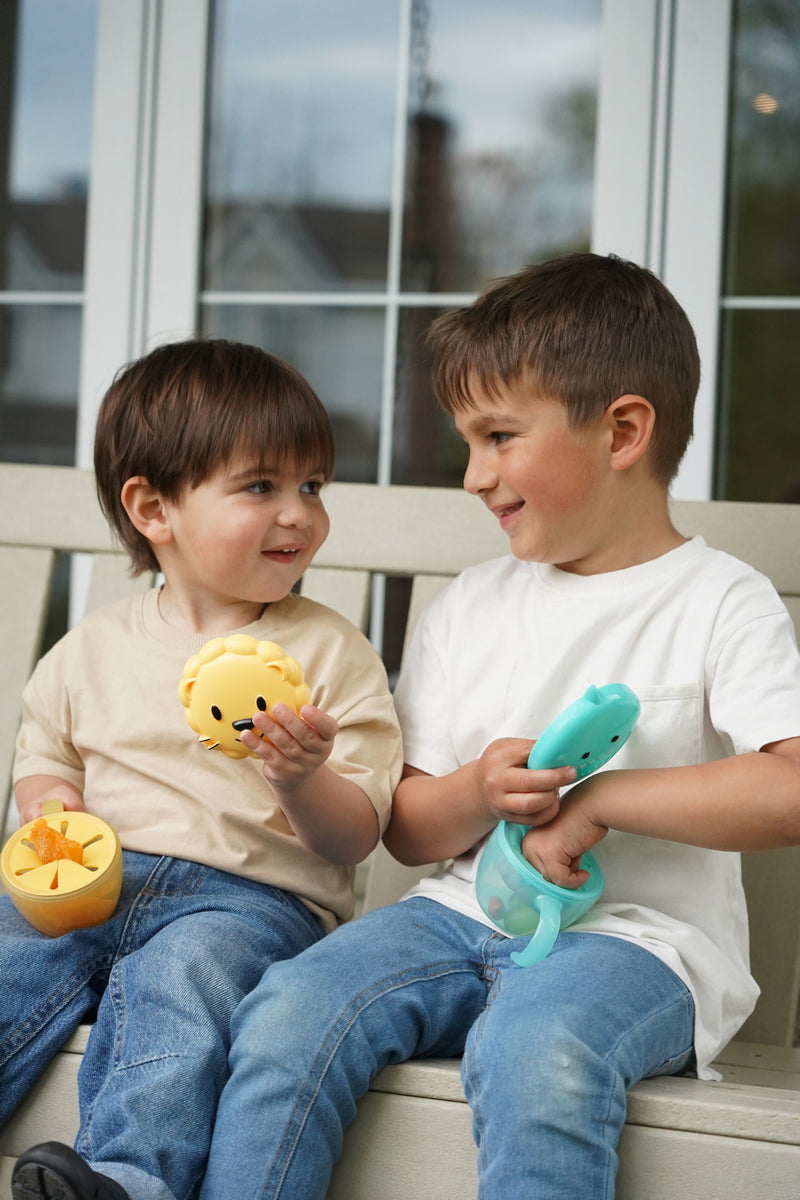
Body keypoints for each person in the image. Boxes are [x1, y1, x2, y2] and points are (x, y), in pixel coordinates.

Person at [196, 254, 800, 1200]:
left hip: (642, 948)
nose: (474, 474)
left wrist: (602, 800)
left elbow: (792, 785)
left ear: (623, 431)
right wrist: (477, 790)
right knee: (288, 1008)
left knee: (537, 1047)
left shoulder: (721, 601)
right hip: (452, 912)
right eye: (466, 442)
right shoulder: (468, 606)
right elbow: (408, 827)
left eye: (500, 436)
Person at [2, 338, 403, 1200]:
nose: (299, 512)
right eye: (262, 486)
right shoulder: (93, 648)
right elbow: (43, 755)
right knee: (6, 953)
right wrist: (51, 804)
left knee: (179, 992)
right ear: (153, 507)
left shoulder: (329, 653)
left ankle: (123, 1180)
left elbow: (357, 833)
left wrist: (301, 777)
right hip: (94, 877)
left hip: (248, 900)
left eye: (312, 486)